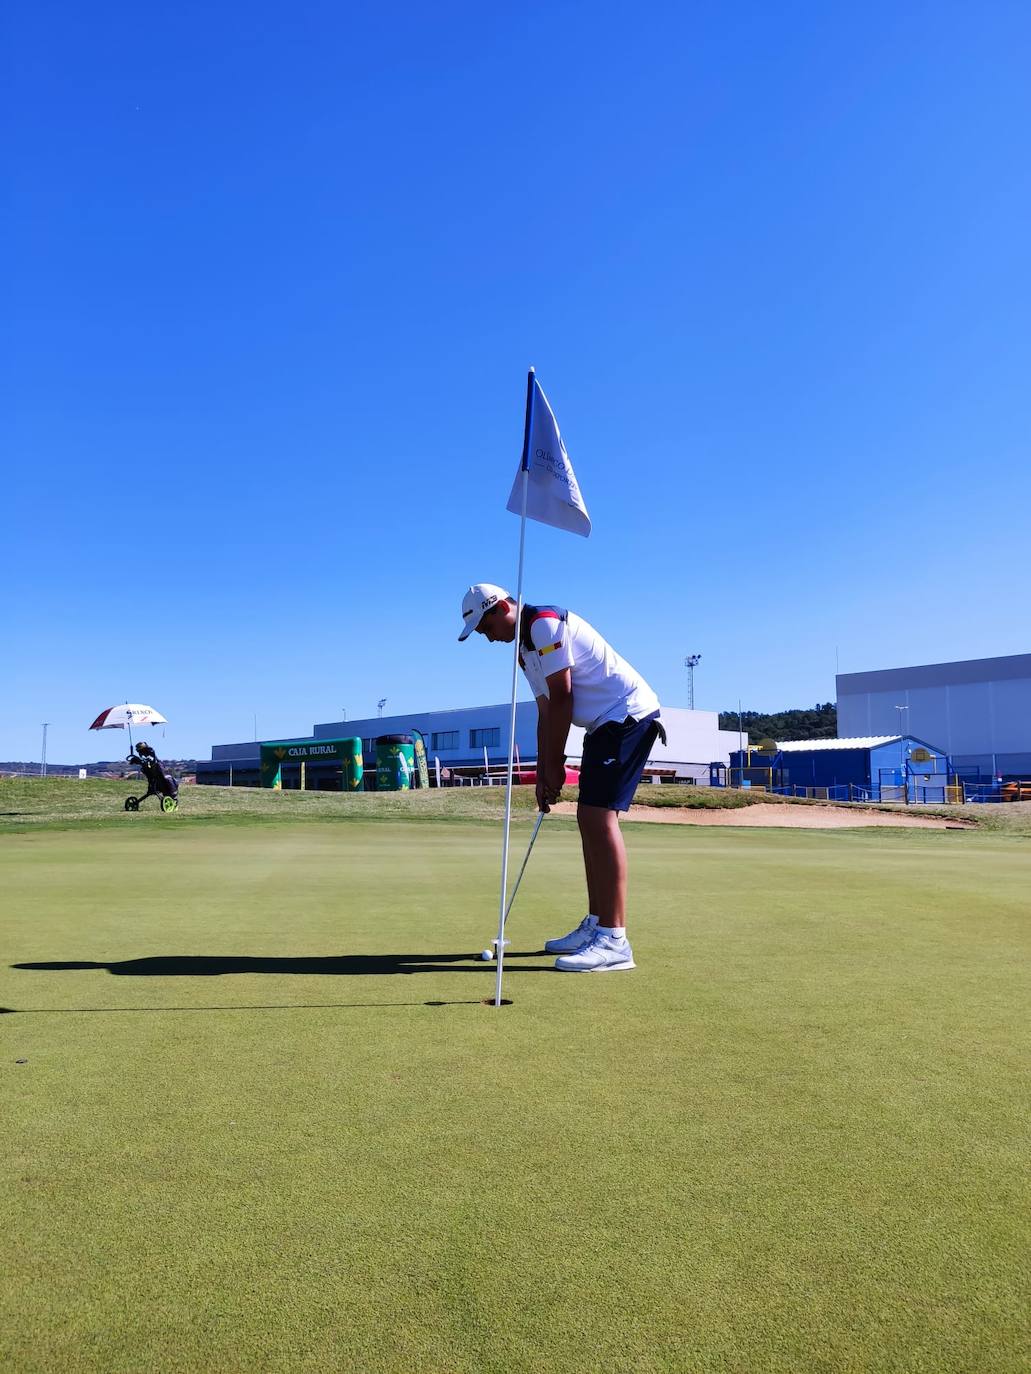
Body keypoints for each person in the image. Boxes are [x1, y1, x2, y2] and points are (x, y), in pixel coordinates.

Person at [459, 582, 665, 972]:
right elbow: (546, 709)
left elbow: (565, 696)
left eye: (485, 628)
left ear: (502, 607)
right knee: (588, 820)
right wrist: (542, 772)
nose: (487, 639)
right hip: (603, 726)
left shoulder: (545, 624)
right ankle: (596, 924)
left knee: (596, 818)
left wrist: (555, 762)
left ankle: (615, 940)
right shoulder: (524, 651)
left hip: (627, 716)